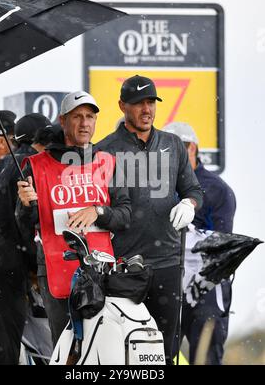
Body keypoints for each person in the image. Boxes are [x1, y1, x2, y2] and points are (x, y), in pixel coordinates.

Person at [96, 75, 203, 364]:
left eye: (151, 102)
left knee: (165, 352)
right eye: (138, 103)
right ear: (122, 106)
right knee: (123, 352)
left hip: (167, 263)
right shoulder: (104, 150)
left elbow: (193, 189)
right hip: (123, 267)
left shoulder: (173, 144)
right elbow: (97, 207)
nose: (146, 109)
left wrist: (189, 203)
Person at [16, 91, 131, 347]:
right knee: (64, 348)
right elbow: (24, 224)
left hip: (101, 270)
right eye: (77, 116)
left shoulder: (107, 162)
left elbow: (125, 216)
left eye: (90, 116)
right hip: (56, 267)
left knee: (104, 347)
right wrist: (25, 206)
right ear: (63, 120)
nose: (84, 123)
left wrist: (98, 212)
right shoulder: (35, 165)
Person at [0, 113, 54, 365]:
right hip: (5, 275)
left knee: (3, 355)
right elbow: (27, 225)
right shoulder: (32, 166)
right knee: (6, 358)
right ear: (43, 141)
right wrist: (27, 260)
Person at [163, 121, 236, 365]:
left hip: (207, 286)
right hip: (168, 283)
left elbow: (222, 246)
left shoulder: (217, 189)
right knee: (158, 355)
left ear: (193, 147)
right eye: (168, 150)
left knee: (206, 355)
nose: (175, 155)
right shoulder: (156, 188)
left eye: (181, 147)